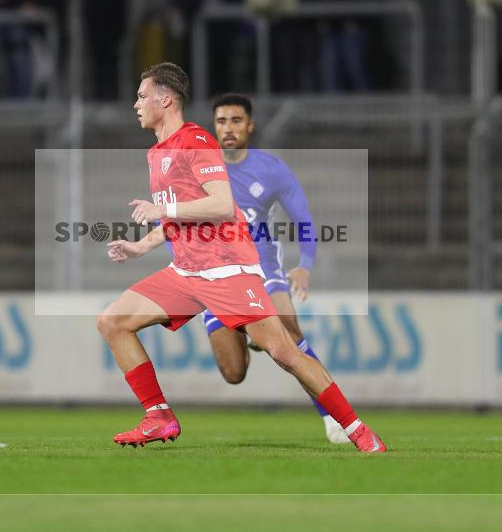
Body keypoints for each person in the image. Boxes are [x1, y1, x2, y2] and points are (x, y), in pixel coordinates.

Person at [98, 62, 386, 452]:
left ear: (165, 100)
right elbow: (178, 216)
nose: (136, 104)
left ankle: (357, 430)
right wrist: (140, 246)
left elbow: (220, 204)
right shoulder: (157, 154)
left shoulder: (195, 141)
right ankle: (158, 416)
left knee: (285, 351)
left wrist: (162, 210)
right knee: (112, 321)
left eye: (142, 95)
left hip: (227, 271)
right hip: (186, 272)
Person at [196, 93, 347, 444]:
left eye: (236, 121)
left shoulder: (272, 169)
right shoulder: (199, 170)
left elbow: (304, 220)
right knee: (233, 374)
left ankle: (335, 419)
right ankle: (253, 334)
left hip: (262, 269)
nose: (228, 128)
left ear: (250, 125)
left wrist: (305, 266)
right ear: (213, 127)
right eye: (221, 121)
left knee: (292, 334)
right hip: (217, 277)